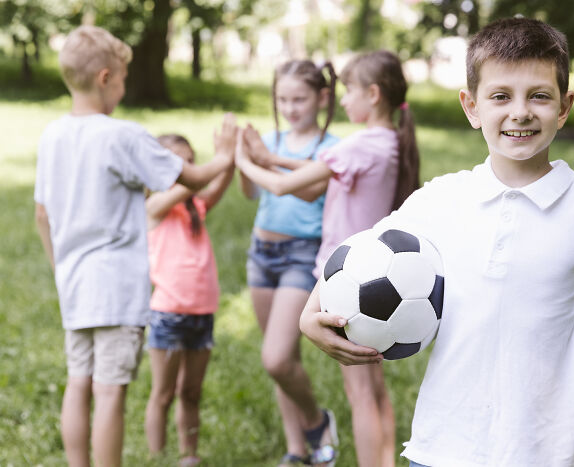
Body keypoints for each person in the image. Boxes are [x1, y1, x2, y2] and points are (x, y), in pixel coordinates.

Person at [299, 18, 574, 467]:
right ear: (471, 107)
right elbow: (359, 255)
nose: (520, 112)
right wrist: (309, 317)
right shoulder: (441, 198)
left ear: (564, 107)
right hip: (439, 449)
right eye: (501, 96)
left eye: (539, 96)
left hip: (541, 453)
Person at [33, 25, 236, 467]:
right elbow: (194, 178)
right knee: (110, 391)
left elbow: (42, 215)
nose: (124, 88)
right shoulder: (121, 135)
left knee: (78, 381)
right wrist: (224, 155)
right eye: (123, 79)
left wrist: (59, 270)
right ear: (106, 78)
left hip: (74, 284)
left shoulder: (51, 136)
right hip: (117, 289)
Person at [237, 50, 420, 467]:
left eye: (351, 91)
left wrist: (243, 161)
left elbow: (285, 187)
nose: (344, 100)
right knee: (373, 389)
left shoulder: (360, 144)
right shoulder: (388, 139)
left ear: (373, 95)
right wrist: (268, 158)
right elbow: (314, 168)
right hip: (371, 272)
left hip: (350, 280)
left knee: (360, 394)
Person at [237, 59, 341, 467]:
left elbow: (310, 192)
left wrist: (261, 161)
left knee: (276, 358)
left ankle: (317, 422)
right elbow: (249, 192)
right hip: (261, 254)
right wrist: (245, 155)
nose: (291, 107)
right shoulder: (271, 139)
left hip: (302, 256)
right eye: (283, 99)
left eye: (299, 98)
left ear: (321, 97)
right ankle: (297, 450)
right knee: (281, 362)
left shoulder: (330, 148)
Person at [144, 133, 236, 466]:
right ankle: (157, 457)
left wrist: (231, 157)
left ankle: (188, 455)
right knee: (163, 394)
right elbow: (198, 184)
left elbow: (218, 185)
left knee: (191, 393)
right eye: (178, 164)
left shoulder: (195, 206)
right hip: (168, 314)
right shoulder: (154, 206)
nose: (189, 171)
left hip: (202, 312)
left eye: (191, 163)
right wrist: (216, 164)